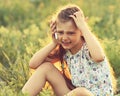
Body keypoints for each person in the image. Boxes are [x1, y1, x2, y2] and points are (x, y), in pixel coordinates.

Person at [22, 4, 117, 96]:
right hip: (74, 93)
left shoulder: (89, 47)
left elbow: (99, 57)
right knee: (46, 67)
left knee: (81, 92)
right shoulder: (65, 51)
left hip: (91, 94)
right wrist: (54, 43)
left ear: (81, 31)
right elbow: (33, 64)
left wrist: (84, 27)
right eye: (60, 32)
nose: (64, 38)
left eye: (70, 33)